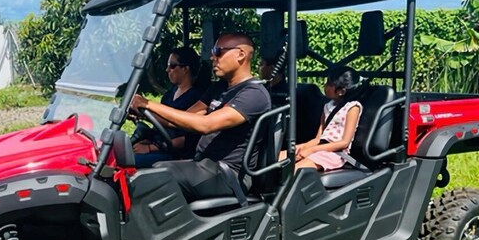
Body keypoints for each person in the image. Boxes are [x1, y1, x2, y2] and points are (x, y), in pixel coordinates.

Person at [130, 33, 271, 202]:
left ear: (240, 54)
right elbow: (184, 118)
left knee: (158, 174)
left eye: (218, 51)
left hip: (227, 174)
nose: (212, 57)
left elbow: (205, 125)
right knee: (143, 171)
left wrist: (149, 104)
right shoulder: (219, 88)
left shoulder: (253, 94)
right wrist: (144, 113)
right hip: (203, 164)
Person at [131, 47, 206, 168]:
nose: (167, 70)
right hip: (158, 144)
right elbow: (161, 123)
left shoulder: (197, 99)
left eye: (172, 66)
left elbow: (189, 138)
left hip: (175, 154)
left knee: (130, 161)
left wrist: (151, 148)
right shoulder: (169, 94)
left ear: (185, 69)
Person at [285, 66, 362, 172]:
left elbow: (344, 142)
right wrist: (303, 147)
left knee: (294, 170)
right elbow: (318, 139)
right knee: (279, 158)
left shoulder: (352, 107)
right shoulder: (327, 106)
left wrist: (311, 150)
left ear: (341, 91)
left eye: (329, 84)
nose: (325, 86)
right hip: (320, 148)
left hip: (335, 154)